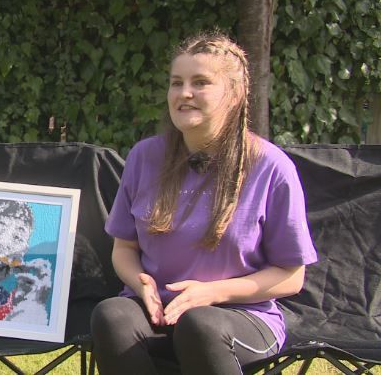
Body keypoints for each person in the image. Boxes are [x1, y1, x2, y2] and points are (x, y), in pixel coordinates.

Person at [90, 31, 318, 374]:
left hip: (240, 318)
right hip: (158, 312)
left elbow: (290, 276)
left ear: (235, 94)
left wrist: (211, 293)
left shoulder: (272, 167)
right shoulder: (144, 157)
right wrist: (140, 283)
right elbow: (124, 248)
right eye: (176, 82)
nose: (184, 93)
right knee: (111, 315)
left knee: (200, 324)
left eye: (201, 82)